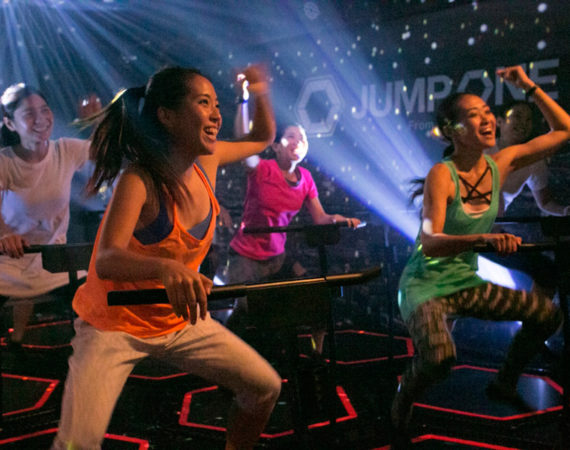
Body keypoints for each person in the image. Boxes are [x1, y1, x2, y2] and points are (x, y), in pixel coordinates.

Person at [51, 64, 282, 450]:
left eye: (216, 104)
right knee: (78, 443)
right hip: (114, 325)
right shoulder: (138, 180)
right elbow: (107, 258)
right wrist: (165, 267)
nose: (216, 114)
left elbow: (261, 137)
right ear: (167, 116)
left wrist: (259, 89)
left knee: (265, 388)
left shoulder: (207, 162)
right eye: (203, 103)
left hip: (178, 321)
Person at [391, 65, 570, 446]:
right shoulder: (442, 174)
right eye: (475, 115)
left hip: (465, 283)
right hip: (425, 286)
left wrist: (528, 86)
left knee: (548, 315)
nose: (488, 118)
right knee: (439, 358)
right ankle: (404, 395)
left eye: (488, 112)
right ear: (454, 130)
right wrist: (483, 239)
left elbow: (565, 130)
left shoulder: (501, 163)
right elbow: (431, 242)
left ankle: (505, 383)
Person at [223, 80, 360, 352]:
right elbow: (245, 143)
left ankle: (316, 354)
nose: (298, 141)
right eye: (291, 136)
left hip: (278, 259)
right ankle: (226, 360)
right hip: (245, 258)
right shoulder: (262, 168)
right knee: (244, 315)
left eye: (303, 138)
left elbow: (320, 218)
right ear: (276, 146)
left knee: (316, 296)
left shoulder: (306, 178)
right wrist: (243, 100)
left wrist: (343, 220)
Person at [0, 84, 99, 348]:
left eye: (44, 110)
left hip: (53, 260)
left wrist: (96, 122)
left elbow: (105, 152)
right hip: (7, 262)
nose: (41, 118)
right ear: (10, 123)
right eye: (29, 114)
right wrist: (5, 235)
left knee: (95, 299)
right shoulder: (4, 161)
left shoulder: (65, 150)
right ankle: (16, 341)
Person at [487, 100, 569, 217]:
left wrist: (565, 211)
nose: (523, 123)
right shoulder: (479, 149)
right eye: (517, 116)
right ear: (499, 121)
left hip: (494, 224)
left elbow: (545, 203)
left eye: (528, 120)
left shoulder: (533, 160)